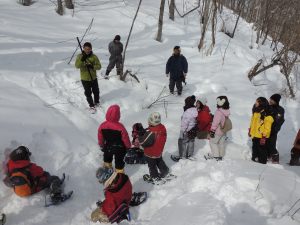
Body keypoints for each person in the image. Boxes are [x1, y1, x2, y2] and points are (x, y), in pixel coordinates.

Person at [97, 105, 131, 182]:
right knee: (119, 161)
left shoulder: (102, 126)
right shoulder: (120, 127)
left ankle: (107, 172)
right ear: (118, 115)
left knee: (107, 159)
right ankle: (119, 175)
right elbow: (125, 138)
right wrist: (128, 146)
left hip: (108, 147)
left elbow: (100, 137)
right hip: (120, 148)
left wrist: (101, 145)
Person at [139, 112, 170, 183]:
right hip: (158, 151)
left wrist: (140, 136)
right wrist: (147, 130)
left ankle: (155, 177)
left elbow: (143, 143)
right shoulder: (162, 128)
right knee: (159, 161)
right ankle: (165, 171)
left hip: (150, 153)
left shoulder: (151, 132)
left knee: (152, 165)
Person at [75, 42, 102, 113]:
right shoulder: (79, 56)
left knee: (96, 91)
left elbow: (99, 66)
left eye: (89, 49)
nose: (87, 50)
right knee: (88, 93)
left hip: (93, 78)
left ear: (91, 49)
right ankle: (91, 105)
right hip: (85, 78)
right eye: (86, 49)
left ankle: (97, 102)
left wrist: (92, 66)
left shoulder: (94, 57)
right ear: (83, 48)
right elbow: (77, 66)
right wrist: (82, 60)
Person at [171, 95, 198, 162]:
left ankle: (182, 156)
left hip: (187, 130)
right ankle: (190, 155)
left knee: (181, 141)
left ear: (187, 103)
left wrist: (182, 132)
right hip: (193, 130)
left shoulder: (187, 112)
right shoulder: (196, 110)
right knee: (191, 141)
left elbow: (184, 124)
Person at [249, 97, 274, 164]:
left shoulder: (267, 113)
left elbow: (267, 127)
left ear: (261, 103)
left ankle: (262, 163)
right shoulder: (255, 111)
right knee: (255, 149)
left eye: (257, 102)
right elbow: (252, 122)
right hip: (255, 134)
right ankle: (254, 161)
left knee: (262, 150)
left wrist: (264, 136)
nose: (255, 103)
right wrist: (250, 130)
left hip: (261, 136)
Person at [208, 96, 231, 161]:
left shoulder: (219, 112)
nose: (217, 102)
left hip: (218, 131)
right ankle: (221, 156)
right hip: (224, 130)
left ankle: (216, 157)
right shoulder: (226, 110)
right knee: (221, 143)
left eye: (218, 101)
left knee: (212, 142)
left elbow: (215, 122)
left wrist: (212, 131)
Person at [267, 94, 285, 163]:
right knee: (265, 143)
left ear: (276, 101)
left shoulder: (280, 109)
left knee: (271, 144)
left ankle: (275, 156)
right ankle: (268, 155)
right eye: (270, 99)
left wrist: (275, 129)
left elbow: (280, 120)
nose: (270, 101)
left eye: (272, 100)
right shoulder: (267, 107)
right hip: (266, 129)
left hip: (273, 130)